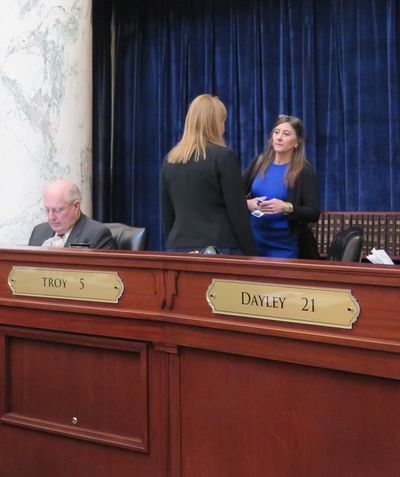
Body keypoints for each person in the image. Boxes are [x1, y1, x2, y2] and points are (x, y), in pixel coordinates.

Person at [160, 94, 256, 255]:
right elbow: (237, 213)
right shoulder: (225, 157)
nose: (224, 127)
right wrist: (252, 255)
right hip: (218, 248)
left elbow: (167, 213)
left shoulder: (169, 159)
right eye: (222, 121)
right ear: (214, 124)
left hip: (177, 247)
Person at [243, 114, 320, 258]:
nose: (279, 137)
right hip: (254, 244)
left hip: (286, 247)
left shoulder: (304, 170)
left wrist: (285, 207)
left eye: (286, 134)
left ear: (297, 142)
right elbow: (233, 196)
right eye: (276, 132)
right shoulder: (258, 163)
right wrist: (248, 203)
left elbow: (313, 212)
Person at [29, 179, 115, 249]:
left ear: (76, 206)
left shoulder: (97, 234)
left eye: (57, 210)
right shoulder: (38, 231)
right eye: (47, 210)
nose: (51, 217)